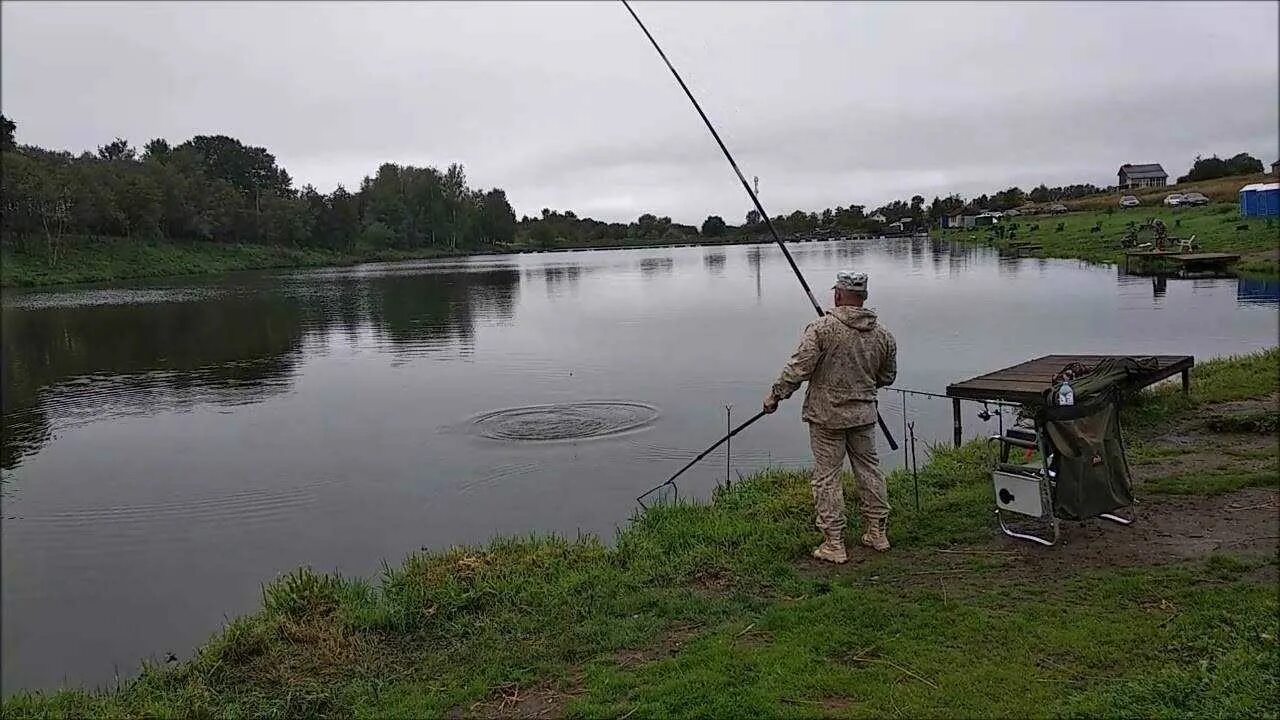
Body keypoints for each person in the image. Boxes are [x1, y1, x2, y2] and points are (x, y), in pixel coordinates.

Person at [763, 271, 897, 564]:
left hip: (827, 417)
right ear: (864, 297)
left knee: (827, 478)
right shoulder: (883, 334)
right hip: (863, 414)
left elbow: (799, 368)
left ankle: (834, 543)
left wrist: (776, 396)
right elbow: (887, 376)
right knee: (869, 470)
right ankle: (877, 532)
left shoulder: (821, 329)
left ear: (838, 295)